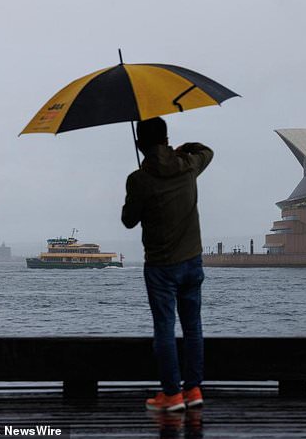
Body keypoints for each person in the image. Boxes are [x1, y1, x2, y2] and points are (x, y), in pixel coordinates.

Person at [121, 116, 213, 412]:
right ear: (166, 139)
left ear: (139, 144)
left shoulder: (139, 179)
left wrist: (137, 191)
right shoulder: (188, 166)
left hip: (160, 266)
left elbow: (128, 221)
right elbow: (207, 151)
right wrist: (183, 148)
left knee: (164, 328)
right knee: (193, 327)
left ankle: (172, 394)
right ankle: (194, 389)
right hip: (192, 261)